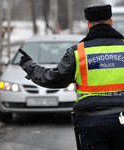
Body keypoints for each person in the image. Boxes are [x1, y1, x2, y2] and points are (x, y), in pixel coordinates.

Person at [19, 3, 124, 150]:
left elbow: (53, 78)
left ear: (88, 24)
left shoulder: (77, 52)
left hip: (91, 123)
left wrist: (30, 66)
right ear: (111, 22)